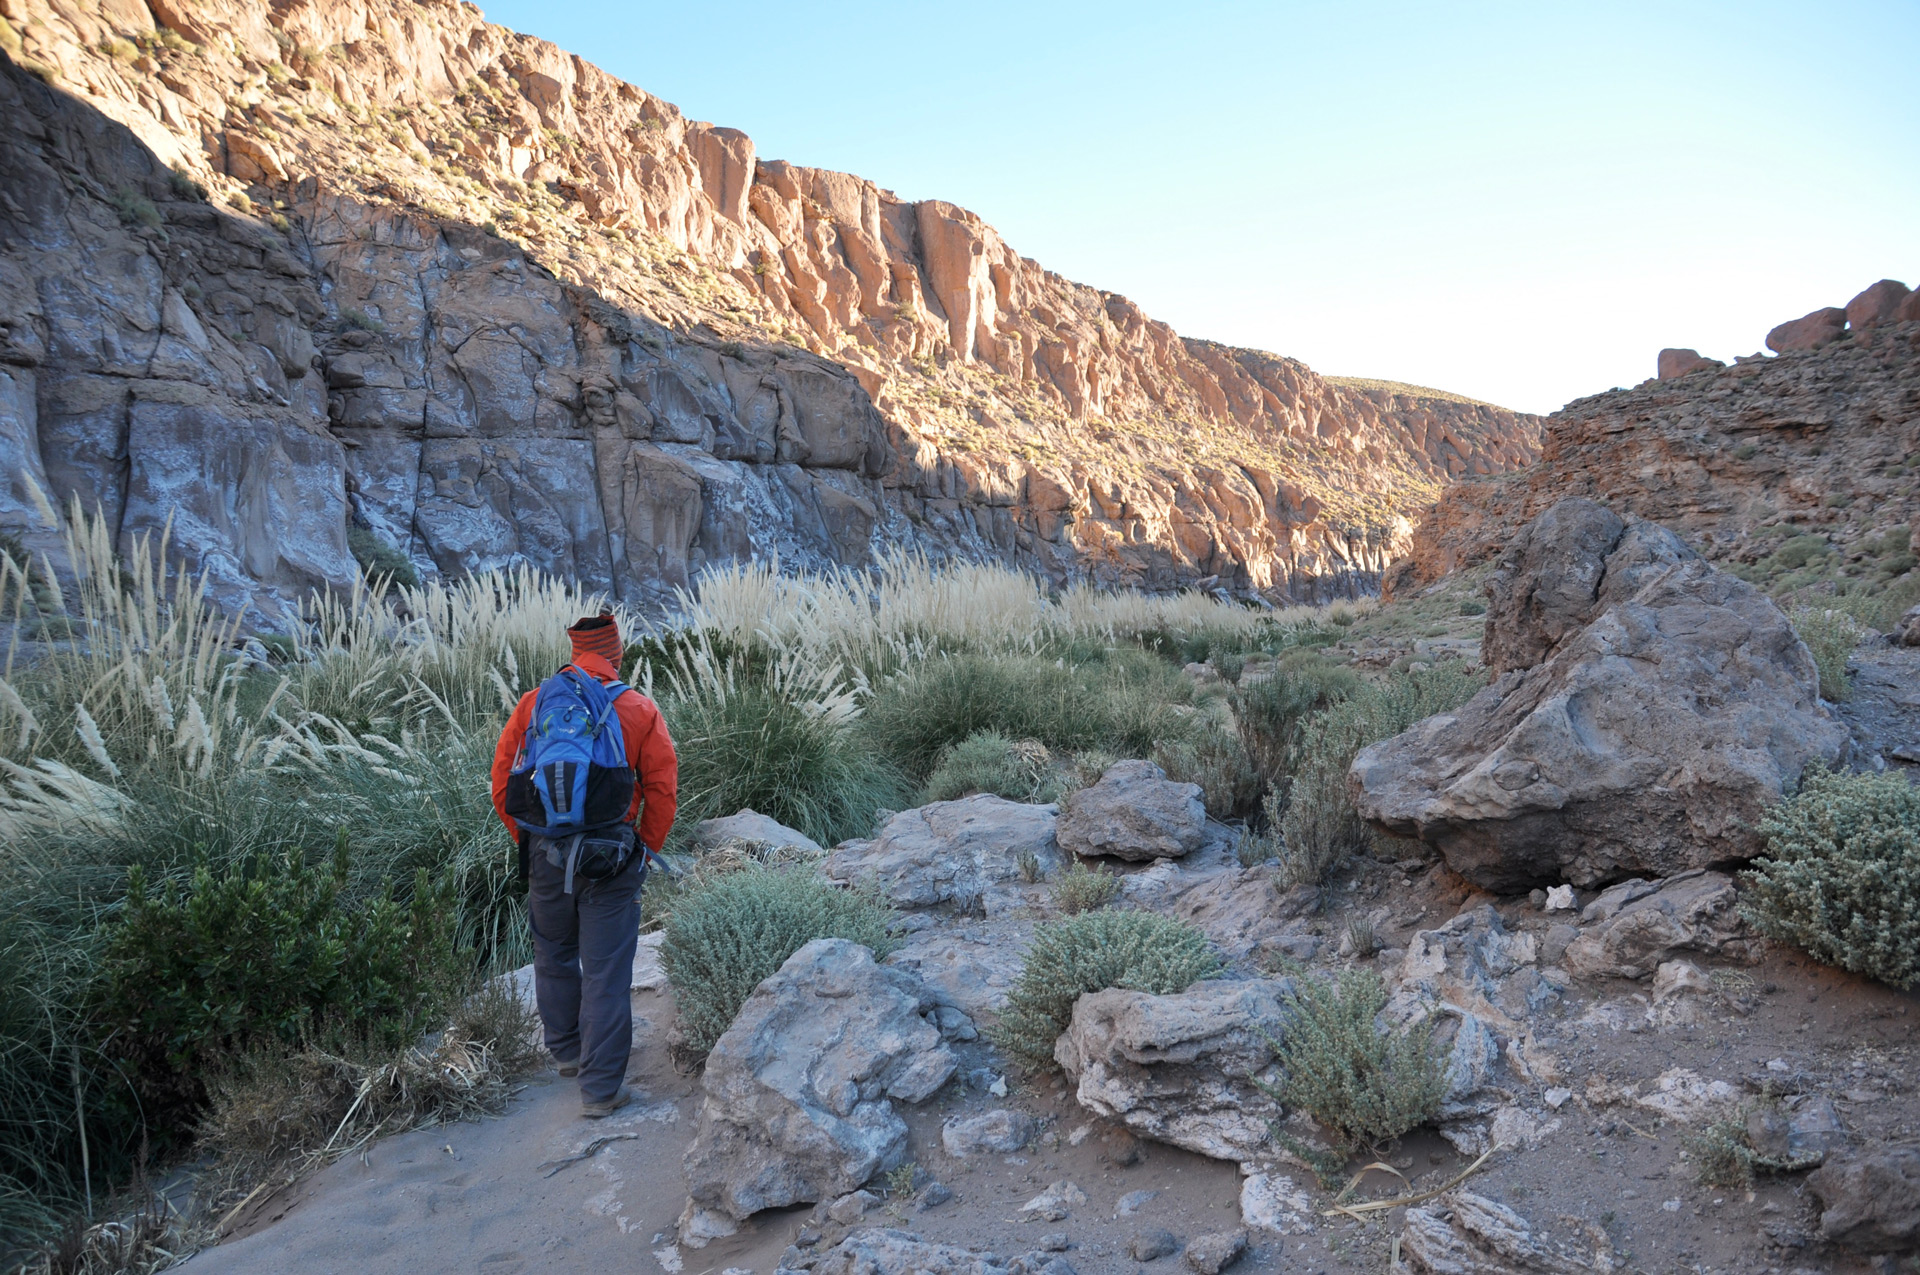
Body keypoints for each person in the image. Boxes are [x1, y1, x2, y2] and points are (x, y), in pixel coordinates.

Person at [491, 613, 677, 1118]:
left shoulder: (535, 703)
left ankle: (568, 1053)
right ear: (617, 654)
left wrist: (533, 841)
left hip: (545, 851)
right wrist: (641, 848)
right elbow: (662, 791)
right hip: (610, 857)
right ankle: (600, 1090)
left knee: (552, 952)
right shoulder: (638, 707)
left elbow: (502, 786)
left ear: (575, 652)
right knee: (606, 970)